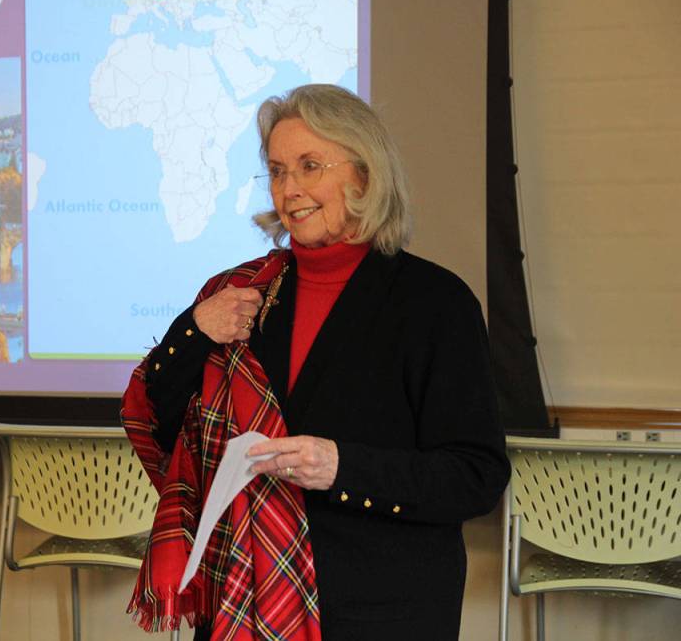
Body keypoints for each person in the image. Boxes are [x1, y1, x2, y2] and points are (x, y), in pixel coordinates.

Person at [122, 84, 510, 641]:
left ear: (365, 176)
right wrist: (194, 330)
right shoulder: (242, 293)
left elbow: (477, 477)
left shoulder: (436, 303)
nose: (290, 189)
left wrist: (341, 468)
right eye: (277, 171)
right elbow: (163, 424)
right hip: (241, 600)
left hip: (379, 613)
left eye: (309, 166)